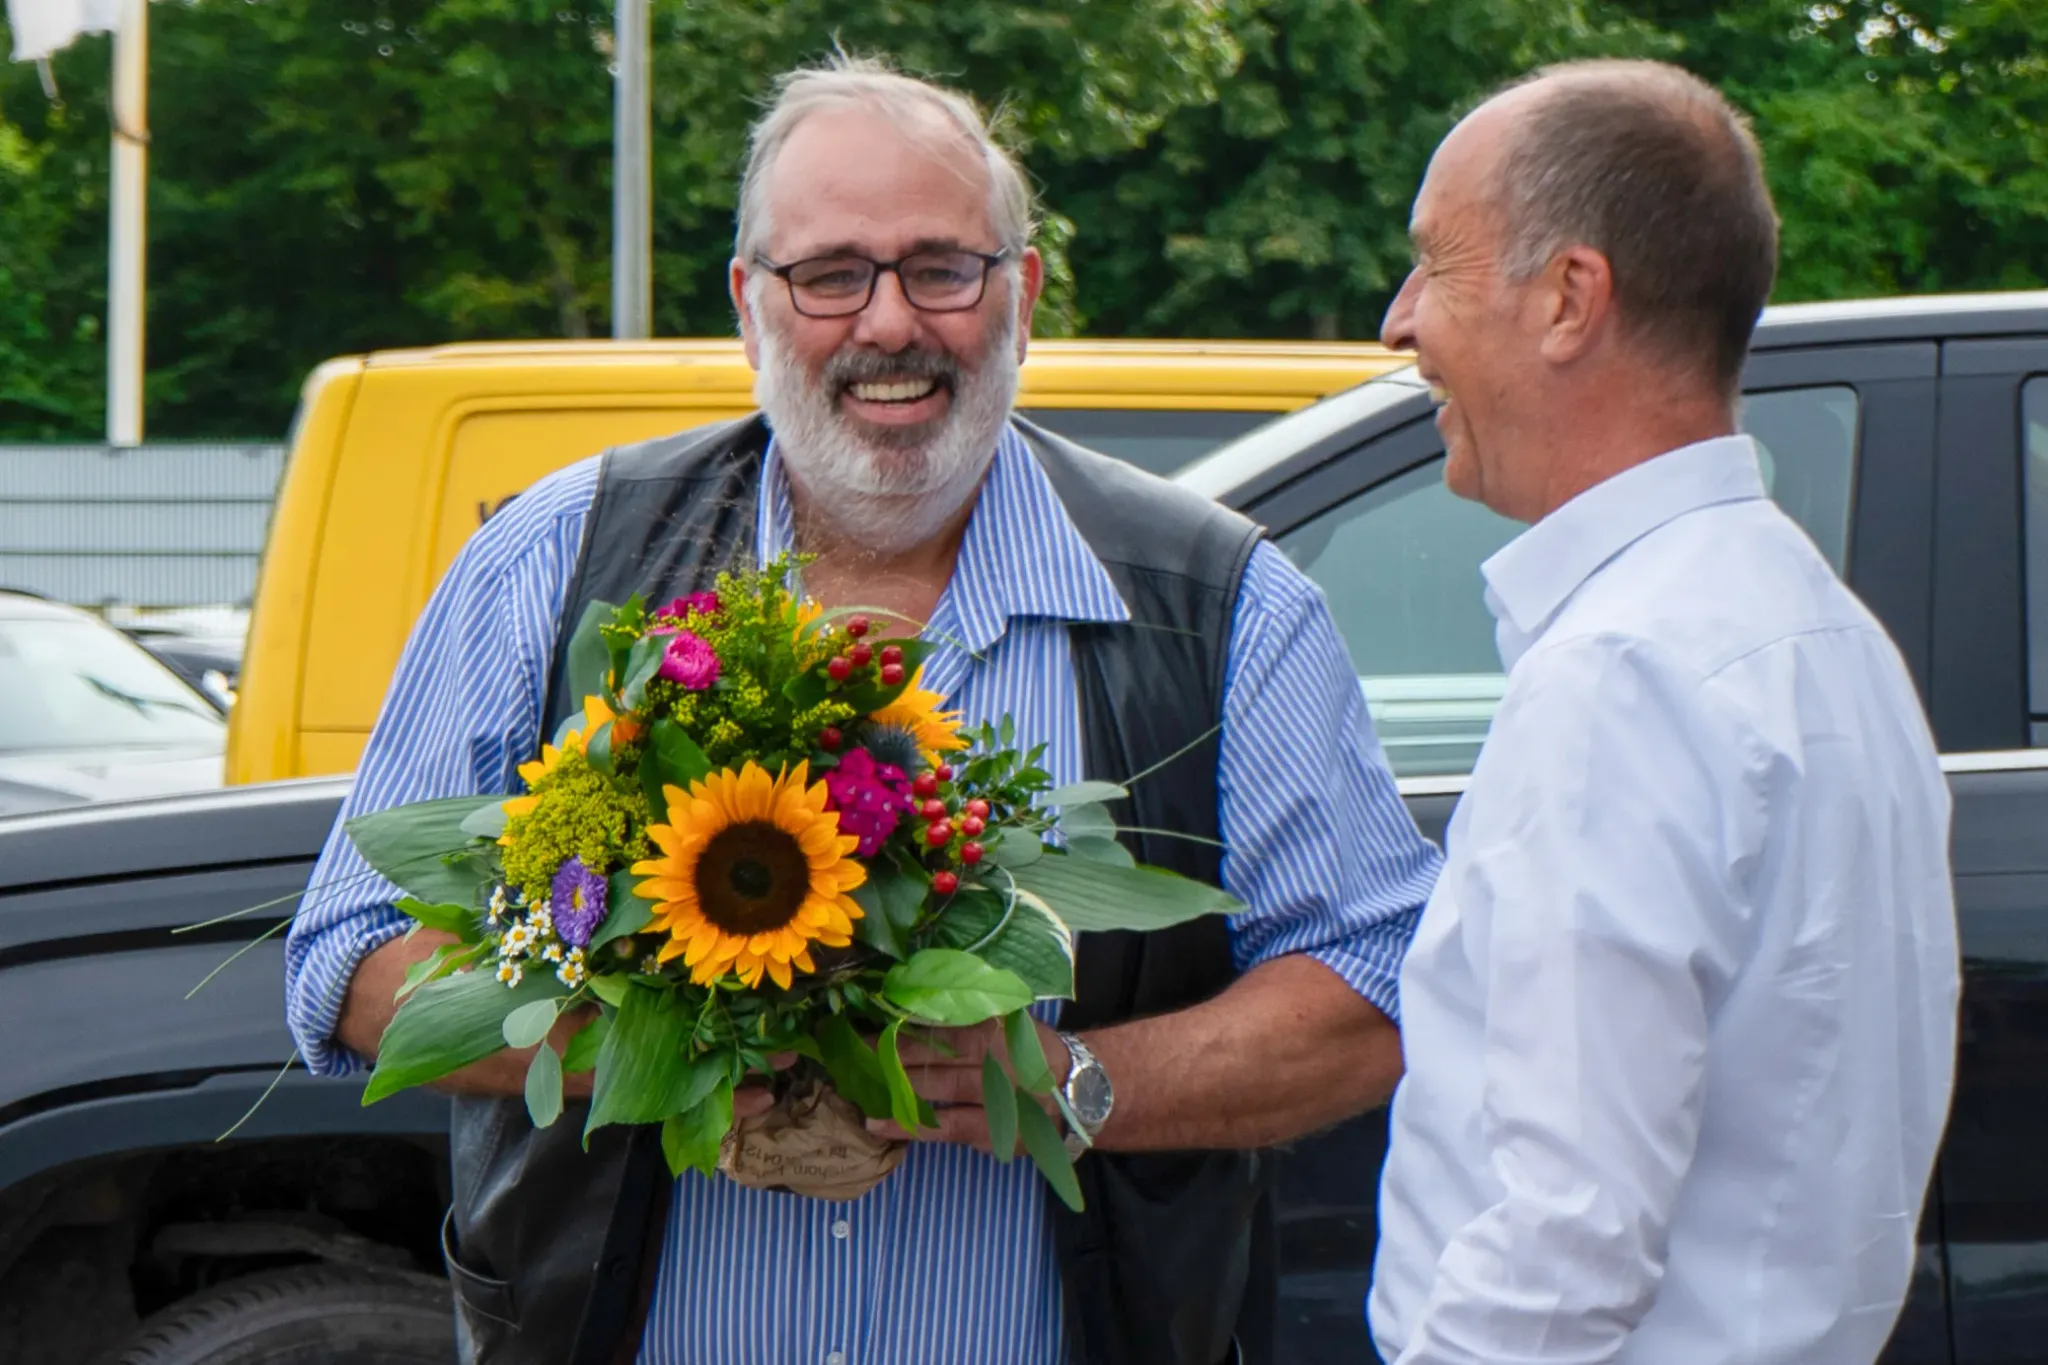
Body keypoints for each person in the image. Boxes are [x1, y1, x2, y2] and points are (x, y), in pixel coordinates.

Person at [284, 56, 1441, 1365]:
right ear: (748, 304)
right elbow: (352, 955)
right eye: (831, 274)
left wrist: (1062, 1085)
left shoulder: (1219, 604)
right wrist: (658, 1043)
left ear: (1026, 293)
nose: (889, 322)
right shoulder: (556, 562)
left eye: (943, 267)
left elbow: (1373, 991)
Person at [1367, 59, 1959, 1365]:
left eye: (1435, 266)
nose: (1400, 323)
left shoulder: (1623, 676)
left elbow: (1560, 1243)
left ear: (1571, 297)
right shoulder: (1821, 639)